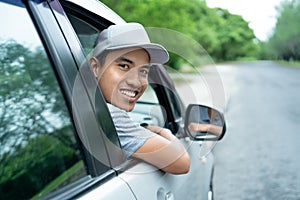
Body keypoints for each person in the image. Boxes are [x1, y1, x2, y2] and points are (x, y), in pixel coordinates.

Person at [89, 23, 190, 174]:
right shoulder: (109, 116)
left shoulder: (85, 105)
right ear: (95, 67)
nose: (135, 81)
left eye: (143, 71)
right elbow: (182, 163)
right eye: (124, 66)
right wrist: (163, 132)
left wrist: (145, 129)